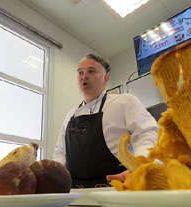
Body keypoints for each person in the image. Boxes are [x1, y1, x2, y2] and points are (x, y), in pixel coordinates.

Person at [53, 54, 158, 188]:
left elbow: (146, 134)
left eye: (91, 71)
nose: (84, 76)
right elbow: (61, 153)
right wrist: (54, 175)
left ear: (106, 78)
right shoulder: (70, 115)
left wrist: (140, 167)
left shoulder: (124, 102)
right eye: (80, 72)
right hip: (75, 193)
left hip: (116, 190)